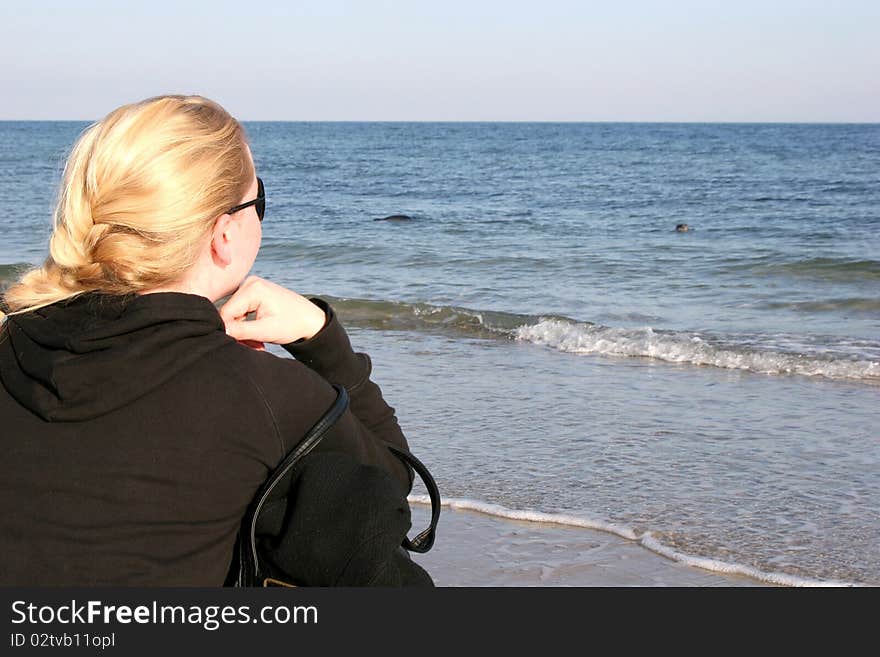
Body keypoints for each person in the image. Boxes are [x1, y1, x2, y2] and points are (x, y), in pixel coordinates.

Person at [0, 94, 434, 586]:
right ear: (223, 233)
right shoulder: (271, 397)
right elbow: (393, 491)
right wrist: (320, 335)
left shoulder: (9, 342)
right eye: (259, 200)